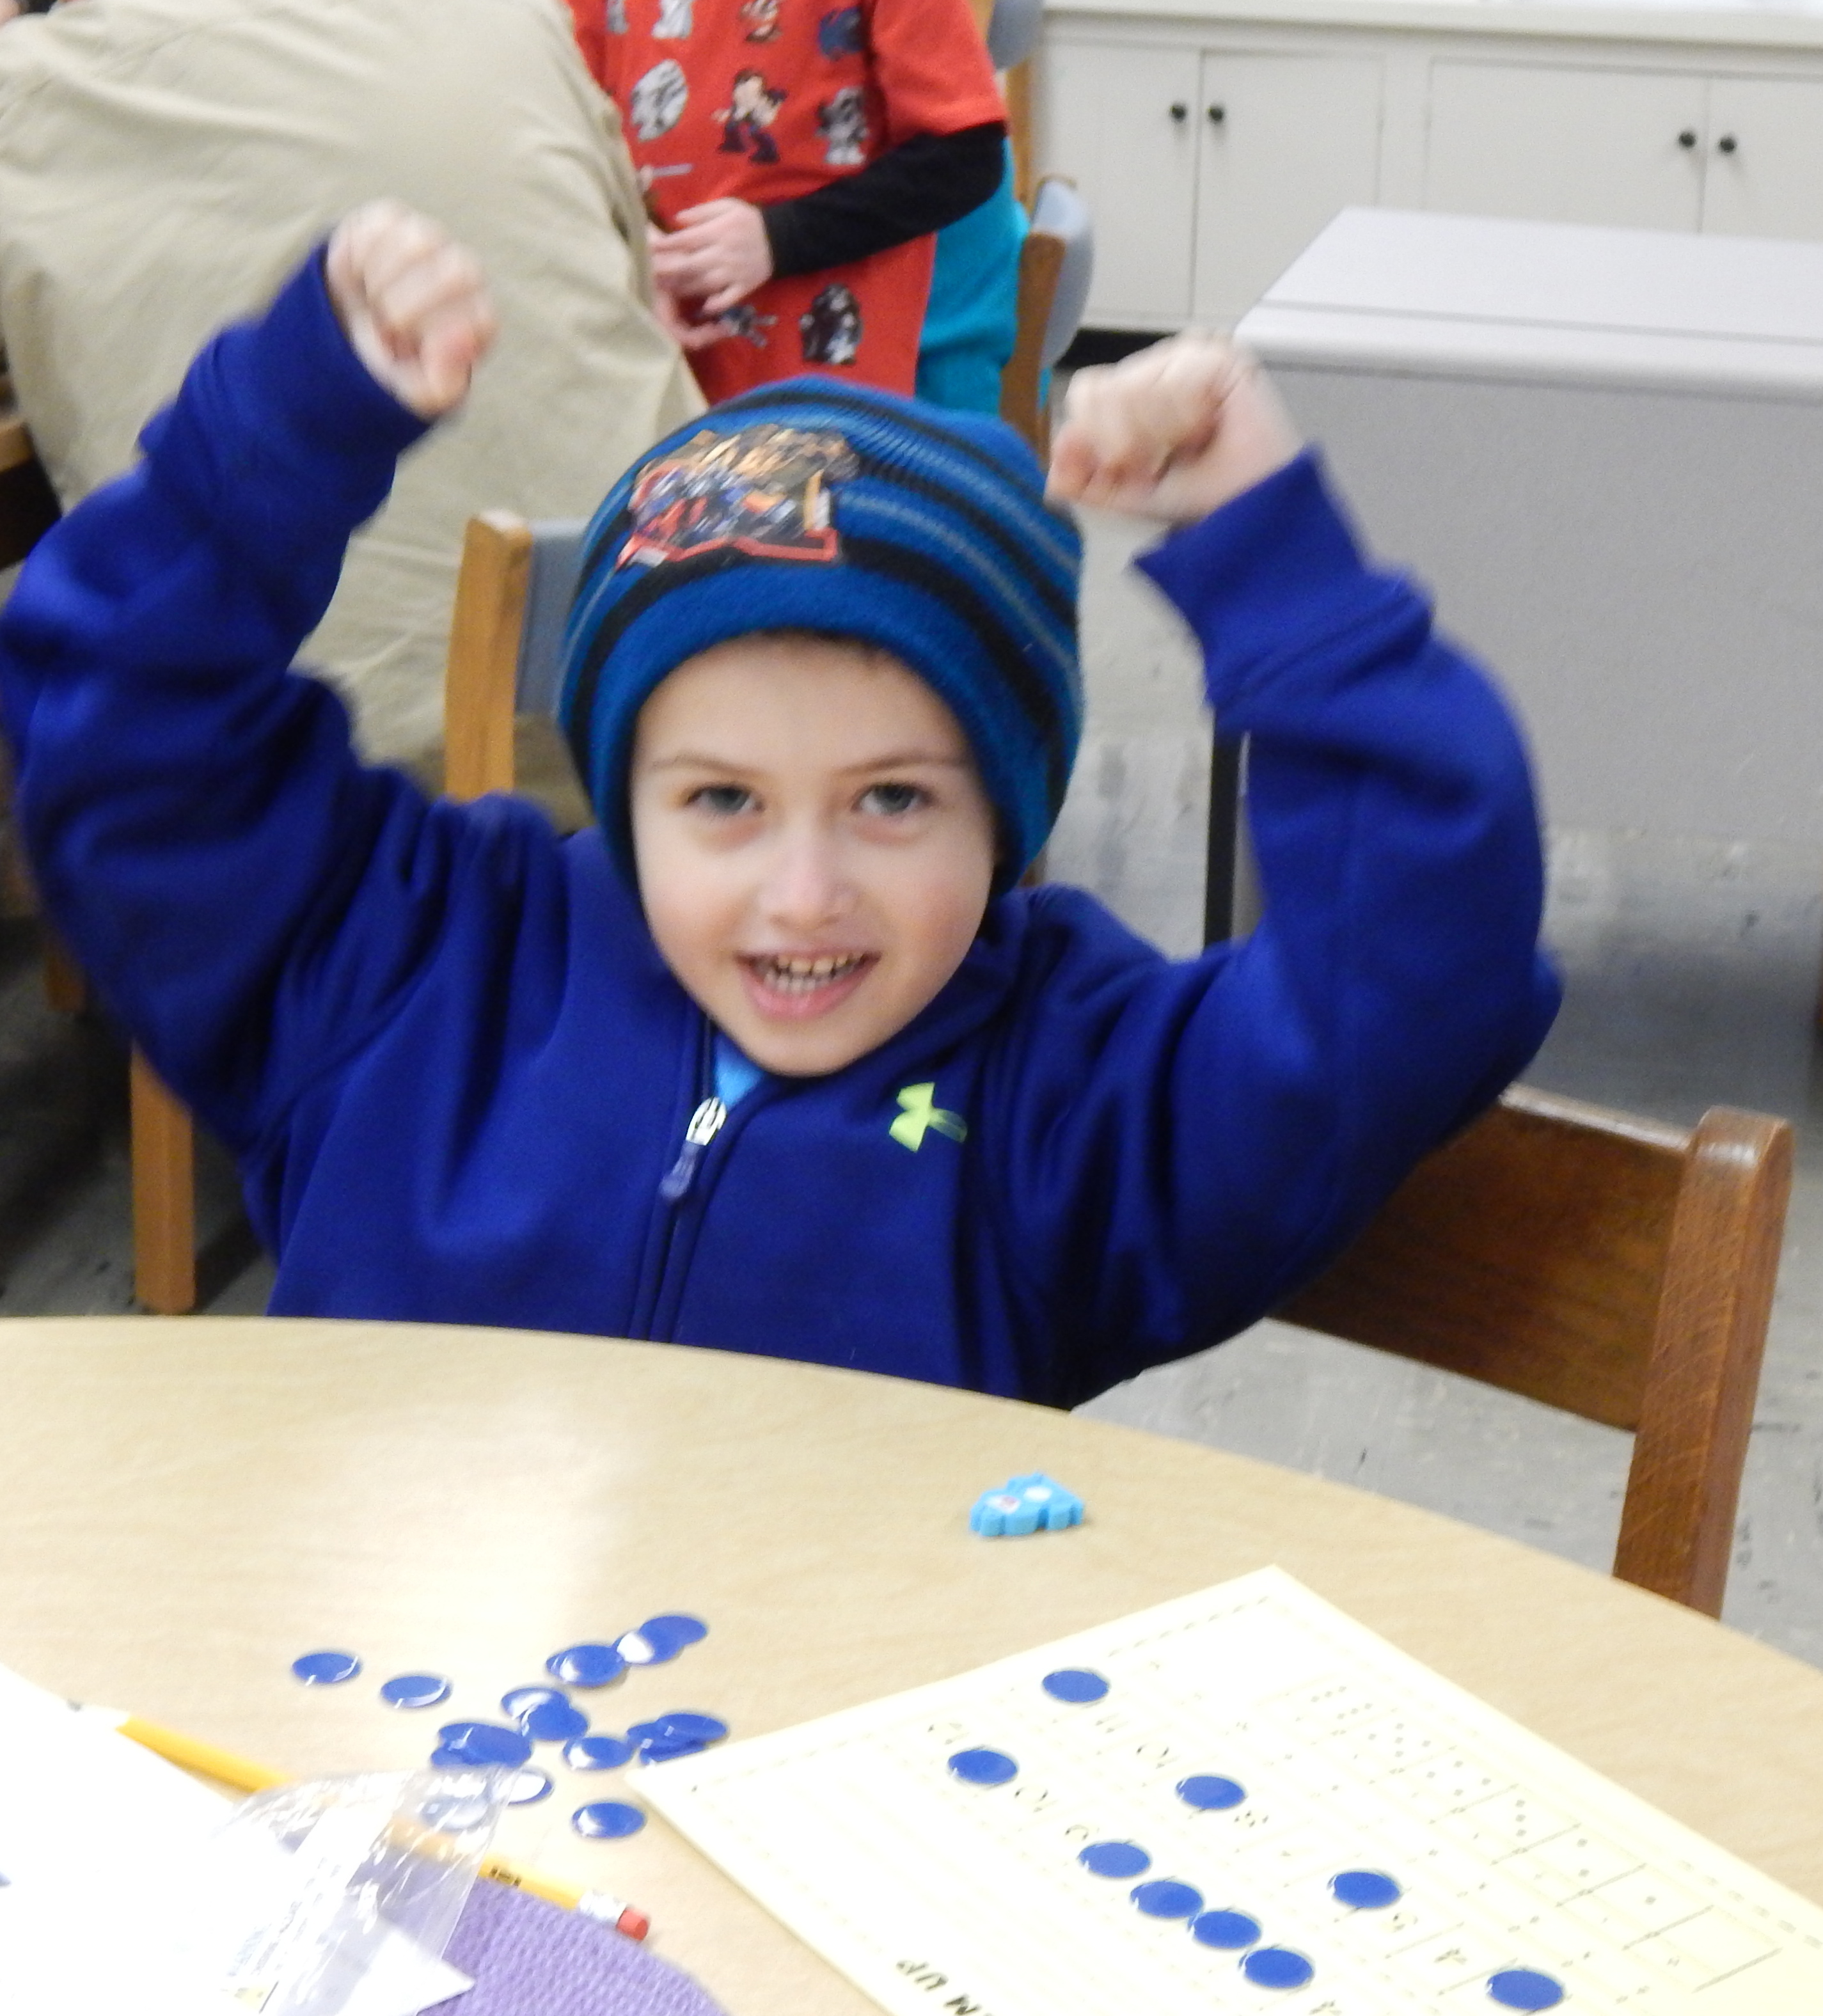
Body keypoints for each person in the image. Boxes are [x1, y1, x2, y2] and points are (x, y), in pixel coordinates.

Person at [0, 207, 1558, 1405]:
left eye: (893, 799)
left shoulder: (1067, 1097)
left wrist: (1283, 573)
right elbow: (116, 734)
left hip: (836, 1734)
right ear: (621, 785)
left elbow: (1416, 987)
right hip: (360, 1708)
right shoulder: (415, 970)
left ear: (1008, 816)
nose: (803, 892)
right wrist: (276, 438)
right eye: (722, 800)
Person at [0, 0, 699, 775]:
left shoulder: (28, 98)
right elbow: (636, 281)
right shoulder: (513, 19)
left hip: (312, 773)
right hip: (676, 681)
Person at [569, 0, 1008, 401]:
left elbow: (964, 156)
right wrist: (630, 245)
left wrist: (780, 238)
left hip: (817, 383)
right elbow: (567, 134)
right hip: (638, 356)